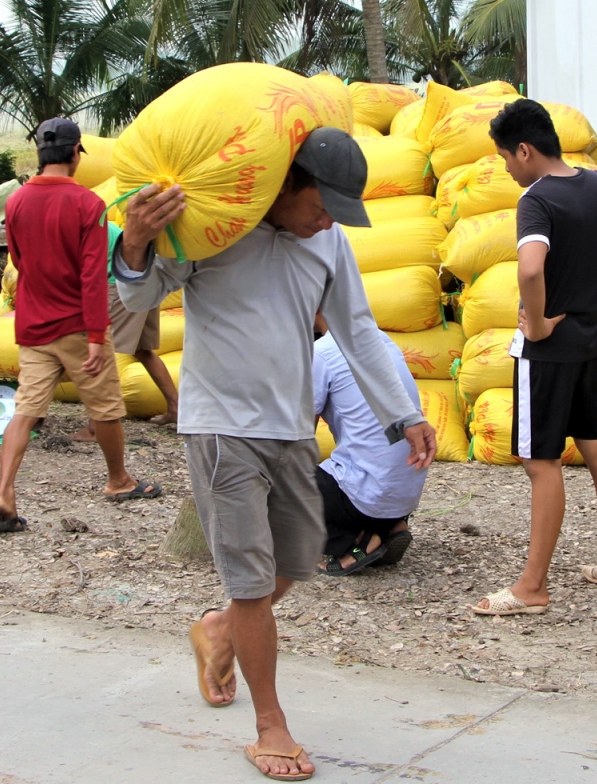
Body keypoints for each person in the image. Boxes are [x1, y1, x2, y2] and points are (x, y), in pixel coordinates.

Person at [115, 126, 435, 782]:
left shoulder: (329, 242)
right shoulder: (217, 228)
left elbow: (359, 331)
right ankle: (271, 726)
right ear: (286, 185)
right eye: (320, 205)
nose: (326, 222)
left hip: (292, 428)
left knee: (294, 561)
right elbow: (140, 296)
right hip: (220, 427)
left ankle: (218, 631)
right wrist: (138, 239)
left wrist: (403, 415)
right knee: (254, 580)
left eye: (337, 214)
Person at [472, 99, 597, 617]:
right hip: (591, 341)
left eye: (507, 157)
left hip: (548, 351)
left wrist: (538, 319)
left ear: (526, 150)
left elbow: (530, 270)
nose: (507, 169)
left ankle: (532, 586)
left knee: (540, 461)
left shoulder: (536, 200)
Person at [0, 118, 158, 533]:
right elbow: (92, 274)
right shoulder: (88, 204)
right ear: (75, 153)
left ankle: (4, 491)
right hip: (78, 326)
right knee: (105, 407)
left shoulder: (17, 203)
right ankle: (119, 480)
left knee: (26, 409)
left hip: (32, 324)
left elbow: (21, 263)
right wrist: (99, 337)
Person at [312, 314, 427, 575]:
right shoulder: (383, 341)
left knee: (272, 476)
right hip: (404, 494)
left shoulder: (322, 352)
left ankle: (355, 542)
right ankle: (390, 526)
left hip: (366, 496)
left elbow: (297, 438)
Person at [73, 219, 179, 441]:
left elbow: (87, 269)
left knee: (101, 351)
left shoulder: (83, 225)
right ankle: (176, 408)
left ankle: (96, 427)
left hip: (120, 284)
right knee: (143, 350)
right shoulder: (99, 220)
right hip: (145, 280)